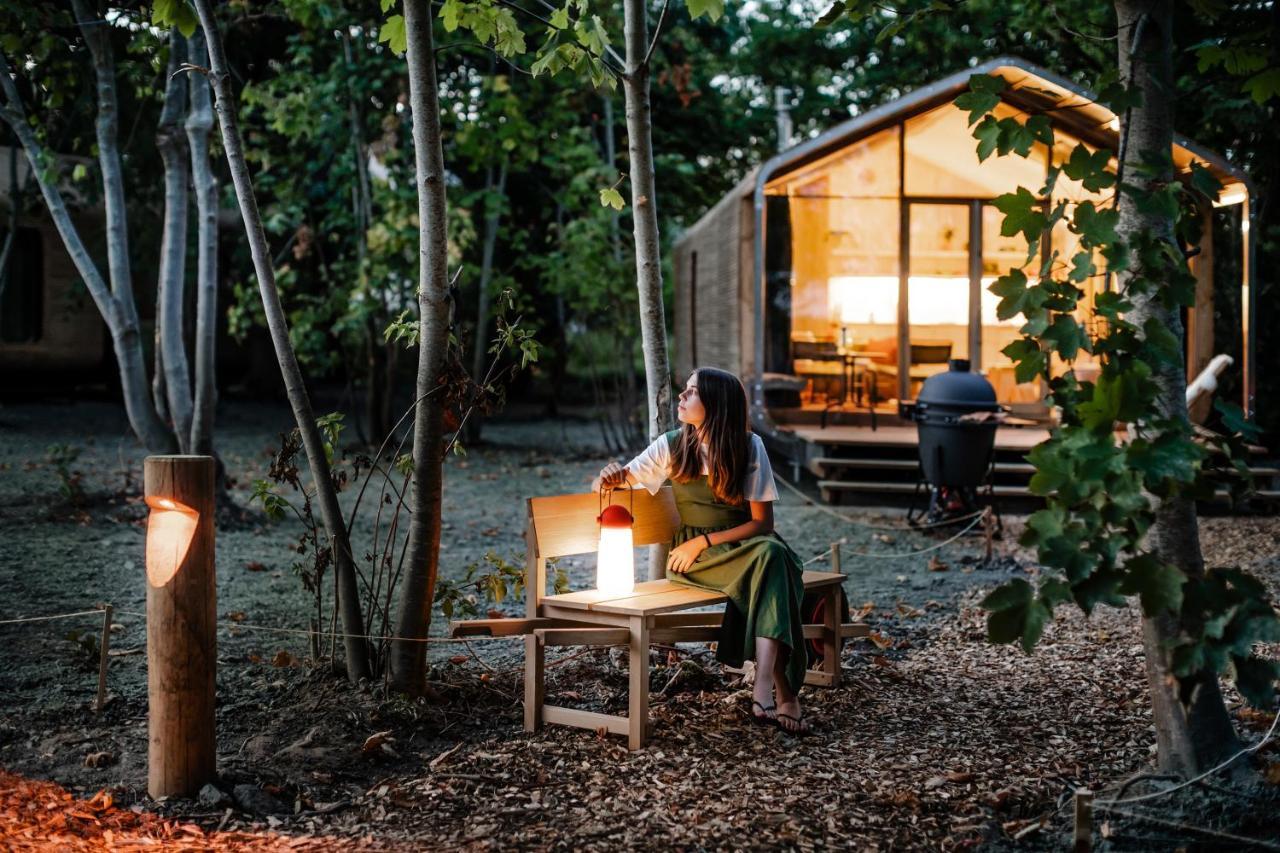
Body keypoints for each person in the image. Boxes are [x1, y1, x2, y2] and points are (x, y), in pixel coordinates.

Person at [592, 367, 812, 734]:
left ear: (715, 403)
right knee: (774, 563)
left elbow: (763, 524)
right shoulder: (672, 445)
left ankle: (765, 684)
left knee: (772, 558)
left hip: (740, 546)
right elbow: (619, 480)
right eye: (685, 390)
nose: (682, 397)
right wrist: (609, 475)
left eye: (691, 392)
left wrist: (707, 540)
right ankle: (782, 690)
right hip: (692, 559)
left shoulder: (748, 446)